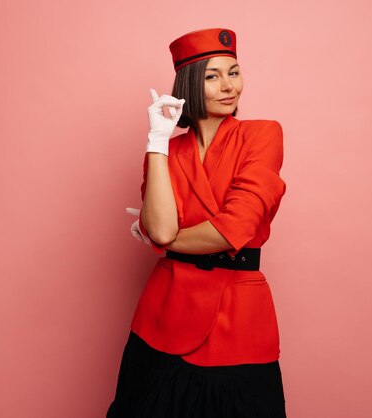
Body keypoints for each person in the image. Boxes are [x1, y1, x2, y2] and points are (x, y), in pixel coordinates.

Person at [106, 28, 288, 418]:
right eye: (212, 76)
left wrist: (163, 239)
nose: (229, 86)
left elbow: (232, 230)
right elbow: (158, 227)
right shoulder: (168, 151)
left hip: (237, 319)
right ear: (189, 82)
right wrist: (157, 139)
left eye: (234, 73)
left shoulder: (262, 135)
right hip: (163, 315)